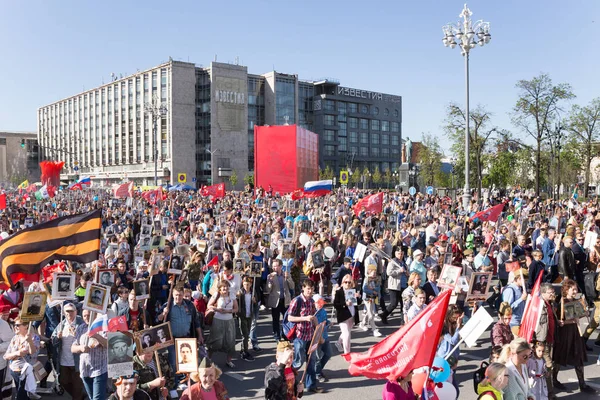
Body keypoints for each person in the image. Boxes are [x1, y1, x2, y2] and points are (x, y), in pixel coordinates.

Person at [552, 279, 596, 394]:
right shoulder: (561, 301)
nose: (575, 291)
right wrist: (566, 322)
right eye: (573, 289)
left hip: (575, 333)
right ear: (566, 290)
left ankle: (582, 384)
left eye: (576, 289)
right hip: (564, 333)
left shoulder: (577, 301)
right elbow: (558, 321)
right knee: (559, 357)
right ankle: (554, 379)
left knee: (579, 357)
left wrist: (584, 313)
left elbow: (578, 316)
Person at [158, 286, 203, 385]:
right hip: (172, 339)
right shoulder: (167, 305)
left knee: (186, 363)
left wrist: (200, 335)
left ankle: (185, 382)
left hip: (186, 338)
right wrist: (163, 314)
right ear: (173, 295)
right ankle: (174, 384)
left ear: (183, 295)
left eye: (180, 295)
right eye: (176, 295)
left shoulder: (189, 305)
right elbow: (158, 320)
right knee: (174, 363)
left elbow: (196, 321)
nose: (178, 297)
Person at [287, 280, 323, 394]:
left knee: (311, 362)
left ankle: (311, 386)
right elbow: (290, 318)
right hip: (300, 336)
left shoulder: (311, 301)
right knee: (298, 361)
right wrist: (304, 318)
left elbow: (313, 317)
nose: (310, 291)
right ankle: (287, 381)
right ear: (303, 288)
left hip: (310, 335)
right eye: (308, 289)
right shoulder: (296, 301)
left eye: (312, 289)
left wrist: (318, 329)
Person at [51, 302, 85, 400]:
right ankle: (80, 396)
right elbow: (53, 339)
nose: (69, 313)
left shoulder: (81, 323)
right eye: (67, 311)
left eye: (71, 311)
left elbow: (87, 338)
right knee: (63, 381)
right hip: (64, 359)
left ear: (76, 311)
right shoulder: (62, 324)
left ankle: (78, 397)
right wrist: (57, 337)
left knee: (77, 385)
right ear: (64, 312)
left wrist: (77, 335)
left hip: (77, 360)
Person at [72, 308, 108, 400]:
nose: (87, 318)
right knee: (92, 398)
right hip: (85, 369)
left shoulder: (102, 327)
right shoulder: (81, 328)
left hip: (99, 369)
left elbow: (108, 344)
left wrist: (96, 335)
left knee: (97, 398)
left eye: (89, 315)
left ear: (95, 315)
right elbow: (73, 348)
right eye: (84, 316)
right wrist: (80, 348)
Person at [3, 317, 41, 400]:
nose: (15, 327)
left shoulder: (34, 337)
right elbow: (6, 356)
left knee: (21, 395)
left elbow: (33, 353)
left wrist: (30, 341)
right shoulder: (15, 338)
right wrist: (17, 353)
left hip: (26, 371)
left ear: (26, 326)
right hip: (14, 370)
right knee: (22, 393)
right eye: (14, 325)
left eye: (17, 325)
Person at [206, 282, 238, 368]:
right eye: (223, 287)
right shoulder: (217, 294)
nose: (225, 288)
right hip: (218, 320)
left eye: (226, 287)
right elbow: (209, 305)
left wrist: (228, 311)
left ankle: (228, 360)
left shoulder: (232, 295)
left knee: (230, 341)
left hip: (229, 320)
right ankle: (208, 360)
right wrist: (217, 309)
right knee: (215, 341)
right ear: (220, 288)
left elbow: (236, 309)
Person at [265, 258, 294, 342]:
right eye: (273, 266)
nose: (274, 268)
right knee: (276, 320)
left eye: (276, 266)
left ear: (281, 266)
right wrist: (269, 281)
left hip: (285, 300)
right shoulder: (270, 276)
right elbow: (268, 290)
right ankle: (277, 336)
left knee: (286, 319)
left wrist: (288, 278)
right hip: (276, 301)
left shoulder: (286, 274)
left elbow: (292, 286)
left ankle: (285, 335)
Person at [379, 246, 408, 324]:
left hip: (403, 285)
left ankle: (403, 320)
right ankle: (384, 315)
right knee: (393, 304)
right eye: (399, 253)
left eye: (401, 254)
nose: (400, 255)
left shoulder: (403, 263)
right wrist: (399, 271)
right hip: (394, 286)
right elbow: (389, 272)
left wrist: (407, 273)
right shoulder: (393, 262)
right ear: (395, 253)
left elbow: (405, 271)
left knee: (403, 304)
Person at [333, 276, 361, 355]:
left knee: (346, 332)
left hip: (352, 315)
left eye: (349, 282)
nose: (347, 284)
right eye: (346, 282)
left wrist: (358, 297)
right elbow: (335, 304)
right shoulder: (339, 292)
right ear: (342, 283)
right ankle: (347, 353)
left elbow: (358, 303)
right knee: (347, 335)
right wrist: (345, 304)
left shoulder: (353, 291)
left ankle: (338, 342)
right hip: (343, 316)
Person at [502, 269, 528, 336]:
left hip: (520, 319)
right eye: (525, 280)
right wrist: (521, 299)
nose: (525, 283)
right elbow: (507, 308)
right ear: (519, 279)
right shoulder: (510, 290)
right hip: (513, 321)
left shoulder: (520, 289)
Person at [313, 294, 331, 383]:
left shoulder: (323, 311)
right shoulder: (312, 313)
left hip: (325, 335)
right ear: (314, 303)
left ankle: (318, 370)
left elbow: (325, 321)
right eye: (318, 302)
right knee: (317, 357)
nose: (320, 304)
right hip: (316, 338)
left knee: (328, 354)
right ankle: (317, 374)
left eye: (322, 302)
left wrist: (329, 323)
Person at [361, 264, 382, 337]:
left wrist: (374, 290)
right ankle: (374, 330)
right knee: (371, 314)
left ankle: (362, 323)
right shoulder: (366, 279)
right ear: (369, 271)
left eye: (375, 272)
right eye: (373, 271)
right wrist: (373, 291)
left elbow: (378, 288)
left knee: (369, 311)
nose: (374, 273)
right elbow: (365, 289)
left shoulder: (376, 279)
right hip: (367, 298)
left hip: (373, 297)